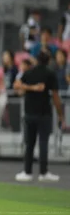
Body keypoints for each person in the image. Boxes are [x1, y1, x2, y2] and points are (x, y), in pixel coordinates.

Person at [14, 51, 65, 182]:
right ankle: (43, 172)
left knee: (29, 144)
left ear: (36, 60)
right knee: (43, 143)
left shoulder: (29, 72)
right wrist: (61, 115)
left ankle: (27, 171)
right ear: (48, 61)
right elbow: (55, 96)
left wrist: (29, 87)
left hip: (29, 112)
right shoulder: (50, 73)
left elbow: (16, 85)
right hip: (44, 113)